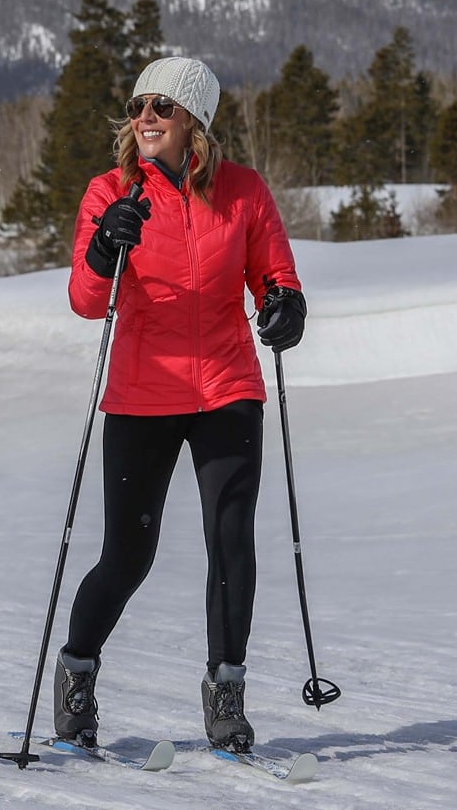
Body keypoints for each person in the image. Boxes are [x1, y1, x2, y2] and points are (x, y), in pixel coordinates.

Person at [55, 55, 308, 754]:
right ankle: (77, 671)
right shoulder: (112, 192)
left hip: (227, 386)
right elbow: (83, 297)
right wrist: (107, 246)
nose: (145, 118)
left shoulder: (243, 192)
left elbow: (276, 278)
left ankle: (227, 692)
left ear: (195, 119)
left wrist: (287, 307)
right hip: (143, 392)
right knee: (128, 554)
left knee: (231, 543)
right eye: (138, 105)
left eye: (161, 107)